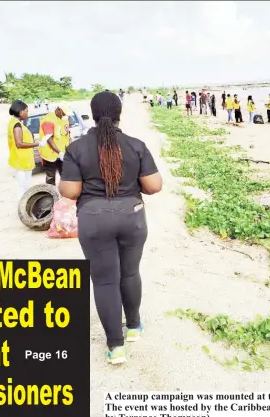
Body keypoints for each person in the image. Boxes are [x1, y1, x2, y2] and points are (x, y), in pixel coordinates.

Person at [59, 91, 163, 364]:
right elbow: (153, 186)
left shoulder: (76, 148)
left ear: (92, 114)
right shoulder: (135, 145)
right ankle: (134, 327)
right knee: (129, 273)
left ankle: (116, 347)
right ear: (119, 113)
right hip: (132, 216)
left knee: (105, 281)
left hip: (94, 220)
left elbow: (70, 191)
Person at [7, 100, 46, 200]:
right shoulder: (17, 125)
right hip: (22, 160)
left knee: (23, 186)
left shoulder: (14, 122)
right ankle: (23, 207)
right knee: (24, 186)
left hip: (21, 159)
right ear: (20, 112)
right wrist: (37, 144)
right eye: (26, 111)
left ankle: (24, 204)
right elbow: (19, 143)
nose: (27, 114)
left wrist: (33, 141)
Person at [38, 104, 73, 186]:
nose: (66, 116)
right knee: (51, 178)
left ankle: (66, 194)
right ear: (59, 110)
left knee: (65, 176)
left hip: (63, 153)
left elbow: (66, 136)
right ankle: (51, 195)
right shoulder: (48, 120)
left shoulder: (64, 119)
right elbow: (49, 139)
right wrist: (59, 152)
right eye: (64, 113)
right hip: (50, 155)